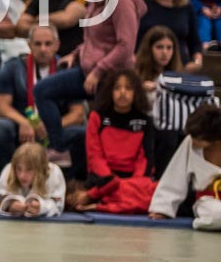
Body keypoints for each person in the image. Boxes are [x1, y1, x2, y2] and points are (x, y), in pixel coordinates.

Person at [34, 0, 145, 155]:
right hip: (88, 71)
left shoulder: (122, 1)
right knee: (43, 90)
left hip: (110, 76)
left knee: (103, 129)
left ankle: (74, 149)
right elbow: (94, 39)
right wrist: (75, 54)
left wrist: (98, 71)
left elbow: (125, 45)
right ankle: (58, 146)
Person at [0, 25, 86, 174]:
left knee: (82, 132)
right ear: (29, 45)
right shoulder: (12, 68)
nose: (43, 49)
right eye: (38, 44)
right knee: (0, 127)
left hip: (56, 128)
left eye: (48, 44)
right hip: (23, 128)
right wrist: (24, 122)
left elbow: (78, 113)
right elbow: (1, 107)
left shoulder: (67, 69)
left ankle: (75, 180)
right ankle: (7, 177)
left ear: (57, 45)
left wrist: (51, 126)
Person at [68, 68, 157, 214]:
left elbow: (145, 159)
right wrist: (109, 180)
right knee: (139, 199)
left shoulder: (145, 121)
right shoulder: (97, 117)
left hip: (133, 180)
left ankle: (101, 202)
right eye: (117, 88)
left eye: (128, 88)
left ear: (136, 92)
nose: (122, 92)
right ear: (110, 91)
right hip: (103, 178)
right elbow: (94, 155)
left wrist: (130, 185)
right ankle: (118, 201)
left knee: (151, 189)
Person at [149, 104, 221, 230]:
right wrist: (162, 208)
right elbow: (175, 174)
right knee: (217, 215)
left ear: (215, 139)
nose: (192, 140)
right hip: (208, 201)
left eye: (198, 139)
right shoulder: (190, 142)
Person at [136, 25, 186, 176]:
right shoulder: (137, 75)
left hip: (171, 127)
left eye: (169, 48)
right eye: (159, 47)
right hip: (143, 125)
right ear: (149, 49)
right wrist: (140, 89)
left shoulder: (179, 77)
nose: (165, 53)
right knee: (167, 134)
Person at [138, 0, 202, 70]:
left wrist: (197, 62)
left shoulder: (187, 8)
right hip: (146, 69)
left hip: (179, 69)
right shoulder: (142, 5)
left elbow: (195, 43)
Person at [0, 142, 66, 218]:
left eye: (29, 169)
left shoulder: (53, 173)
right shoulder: (8, 171)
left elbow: (58, 205)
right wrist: (10, 205)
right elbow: (1, 197)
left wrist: (42, 207)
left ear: (40, 169)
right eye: (19, 168)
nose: (22, 175)